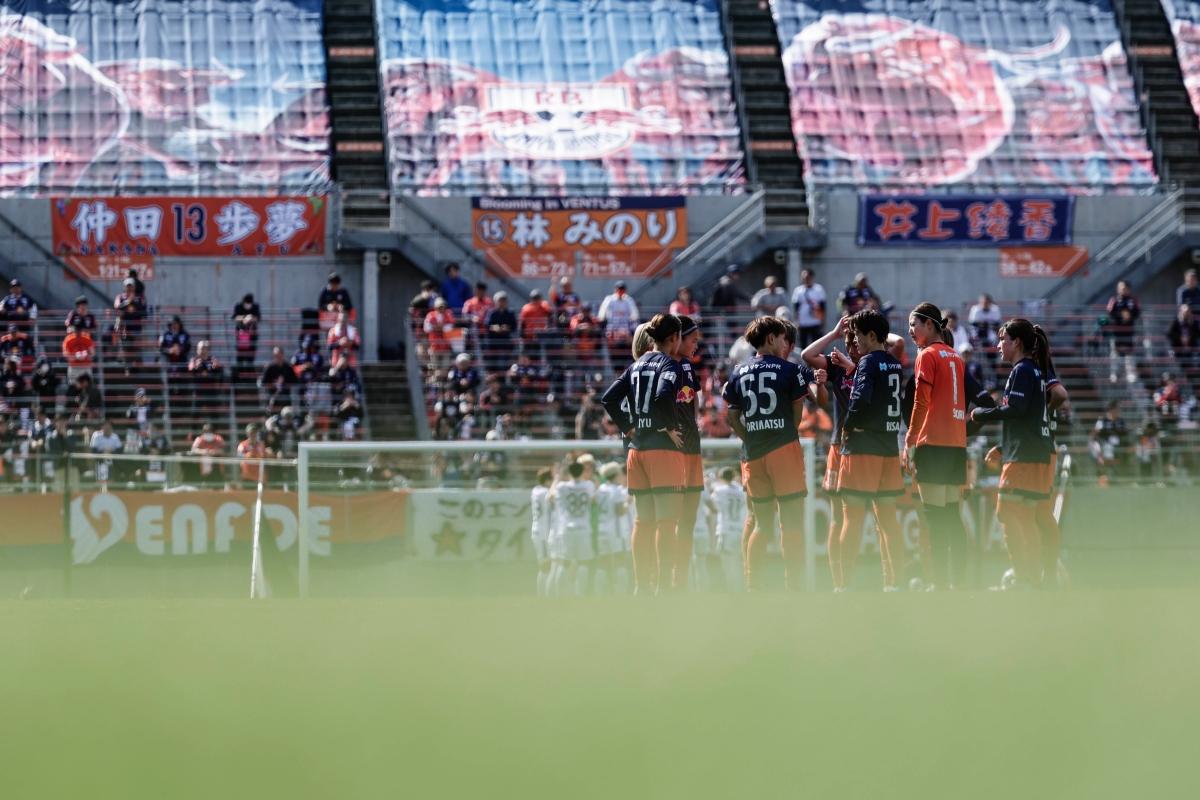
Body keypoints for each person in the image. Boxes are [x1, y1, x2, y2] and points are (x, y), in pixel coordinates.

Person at [723, 316, 825, 590]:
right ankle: (795, 586)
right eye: (781, 337)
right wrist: (784, 433)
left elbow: (731, 418)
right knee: (791, 524)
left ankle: (752, 586)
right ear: (771, 338)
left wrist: (750, 437)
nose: (784, 342)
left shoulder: (738, 371)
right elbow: (797, 416)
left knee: (761, 524)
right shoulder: (789, 370)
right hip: (783, 449)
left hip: (753, 453)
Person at [600, 313, 686, 595]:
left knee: (643, 521)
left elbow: (609, 398)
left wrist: (628, 427)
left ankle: (641, 587)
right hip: (662, 450)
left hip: (637, 451)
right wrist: (669, 427)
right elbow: (662, 395)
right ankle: (664, 587)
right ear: (674, 338)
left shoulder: (635, 365)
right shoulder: (669, 364)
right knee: (666, 522)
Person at [970, 319, 1055, 588]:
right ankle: (1034, 578)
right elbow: (1027, 415)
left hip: (1025, 457)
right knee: (1026, 517)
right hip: (1032, 451)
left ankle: (1024, 577)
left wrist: (981, 414)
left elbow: (1016, 410)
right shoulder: (1033, 370)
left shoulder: (1023, 370)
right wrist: (1004, 447)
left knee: (1007, 512)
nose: (998, 346)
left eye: (1002, 340)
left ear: (1016, 342)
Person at [903, 302, 974, 590]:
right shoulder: (955, 356)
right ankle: (958, 584)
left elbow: (921, 401)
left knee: (934, 518)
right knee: (951, 517)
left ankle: (941, 586)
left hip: (932, 443)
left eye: (914, 325)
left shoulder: (927, 354)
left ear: (929, 325)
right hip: (955, 444)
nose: (910, 331)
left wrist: (910, 439)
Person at [836, 309, 905, 591]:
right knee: (889, 520)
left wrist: (847, 427)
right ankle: (894, 584)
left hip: (863, 446)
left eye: (858, 335)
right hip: (889, 446)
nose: (855, 341)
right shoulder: (895, 363)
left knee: (852, 518)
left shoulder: (867, 362)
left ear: (872, 335)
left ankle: (844, 586)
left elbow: (860, 399)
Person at [672, 316, 704, 590]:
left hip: (691, 447)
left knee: (687, 519)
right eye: (692, 340)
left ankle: (678, 578)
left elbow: (693, 400)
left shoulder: (686, 366)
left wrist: (694, 424)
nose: (696, 345)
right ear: (677, 338)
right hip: (676, 450)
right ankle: (668, 577)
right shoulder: (668, 365)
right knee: (672, 518)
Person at [547, 461, 596, 596]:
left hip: (566, 529)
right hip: (584, 528)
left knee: (564, 563)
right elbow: (593, 500)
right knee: (583, 562)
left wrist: (556, 479)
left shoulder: (562, 487)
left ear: (569, 473)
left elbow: (550, 497)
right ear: (582, 472)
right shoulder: (589, 485)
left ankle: (560, 594)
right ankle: (580, 594)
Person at [594, 461, 631, 594]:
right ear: (615, 475)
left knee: (603, 562)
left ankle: (600, 592)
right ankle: (621, 592)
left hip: (601, 529)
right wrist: (628, 502)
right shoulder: (617, 490)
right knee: (620, 560)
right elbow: (620, 511)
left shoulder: (601, 489)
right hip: (616, 531)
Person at [710, 467, 746, 591]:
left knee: (727, 563)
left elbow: (713, 506)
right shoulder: (741, 490)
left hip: (725, 530)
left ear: (721, 477)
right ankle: (740, 588)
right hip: (739, 529)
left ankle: (732, 590)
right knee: (738, 562)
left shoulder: (719, 490)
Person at [1090, 400, 1129, 485]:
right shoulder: (1102, 420)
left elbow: (1126, 434)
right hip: (1105, 446)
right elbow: (1094, 436)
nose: (1119, 411)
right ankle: (1105, 478)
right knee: (1107, 451)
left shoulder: (1121, 421)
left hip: (1119, 447)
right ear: (1112, 410)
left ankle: (1113, 477)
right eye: (1117, 409)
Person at [530, 467, 554, 596]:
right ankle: (543, 595)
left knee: (545, 564)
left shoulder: (535, 490)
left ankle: (543, 594)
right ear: (547, 480)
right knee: (545, 565)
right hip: (543, 531)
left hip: (538, 529)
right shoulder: (545, 492)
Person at [790, 269, 827, 349]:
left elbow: (823, 306)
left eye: (807, 277)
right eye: (803, 277)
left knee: (817, 345)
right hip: (803, 323)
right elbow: (796, 307)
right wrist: (796, 321)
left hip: (816, 321)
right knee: (803, 346)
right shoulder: (798, 290)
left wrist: (823, 320)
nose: (805, 279)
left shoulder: (819, 289)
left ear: (812, 277)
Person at [483, 292, 516, 372]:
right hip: (492, 343)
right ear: (495, 302)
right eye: (500, 300)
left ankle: (503, 377)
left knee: (504, 364)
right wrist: (495, 328)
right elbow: (487, 324)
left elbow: (514, 326)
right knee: (491, 364)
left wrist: (507, 328)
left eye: (504, 300)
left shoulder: (510, 313)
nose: (502, 303)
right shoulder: (491, 313)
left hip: (505, 343)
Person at [597, 281, 639, 346]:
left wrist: (633, 319)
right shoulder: (609, 299)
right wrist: (601, 318)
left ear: (625, 290)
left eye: (622, 289)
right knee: (610, 341)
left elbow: (634, 313)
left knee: (626, 341)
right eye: (619, 289)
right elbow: (603, 310)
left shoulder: (629, 300)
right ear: (615, 289)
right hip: (611, 325)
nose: (620, 291)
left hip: (624, 325)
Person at [1105, 280, 1140, 355]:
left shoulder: (1133, 300)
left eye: (1123, 288)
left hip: (1129, 330)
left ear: (1128, 289)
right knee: (1116, 352)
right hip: (1116, 330)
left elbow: (1137, 312)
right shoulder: (1114, 299)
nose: (1121, 289)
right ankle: (1117, 359)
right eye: (1119, 288)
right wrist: (1121, 315)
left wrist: (1129, 316)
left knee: (1129, 352)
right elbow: (1109, 312)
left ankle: (1129, 360)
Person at [423, 298, 457, 373]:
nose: (441, 308)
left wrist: (435, 327)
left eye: (442, 306)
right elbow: (427, 328)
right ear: (435, 307)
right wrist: (441, 327)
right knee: (435, 367)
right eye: (439, 307)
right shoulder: (430, 315)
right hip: (434, 346)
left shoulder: (448, 314)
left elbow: (450, 328)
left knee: (445, 368)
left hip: (446, 346)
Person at [1167, 304, 1200, 379]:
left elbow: (1197, 334)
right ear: (1180, 312)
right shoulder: (1175, 322)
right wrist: (1180, 338)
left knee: (1193, 364)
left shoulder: (1193, 322)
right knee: (1179, 365)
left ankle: (1191, 379)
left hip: (1191, 349)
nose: (1186, 314)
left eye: (1187, 312)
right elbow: (1169, 334)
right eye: (1184, 312)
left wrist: (1189, 338)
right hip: (1178, 349)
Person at [260, 346, 297, 412]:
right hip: (272, 395)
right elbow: (263, 383)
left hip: (286, 396)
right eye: (276, 355)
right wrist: (275, 385)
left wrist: (283, 385)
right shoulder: (269, 367)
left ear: (282, 355)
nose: (278, 357)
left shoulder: (288, 367)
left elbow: (295, 381)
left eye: (279, 355)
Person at [231, 294, 261, 367]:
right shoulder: (239, 306)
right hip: (241, 335)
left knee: (250, 357)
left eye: (249, 303)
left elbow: (258, 318)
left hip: (251, 336)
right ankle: (239, 371)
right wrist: (244, 318)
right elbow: (234, 317)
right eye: (247, 303)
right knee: (240, 357)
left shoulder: (255, 306)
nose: (248, 305)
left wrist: (251, 318)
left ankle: (249, 371)